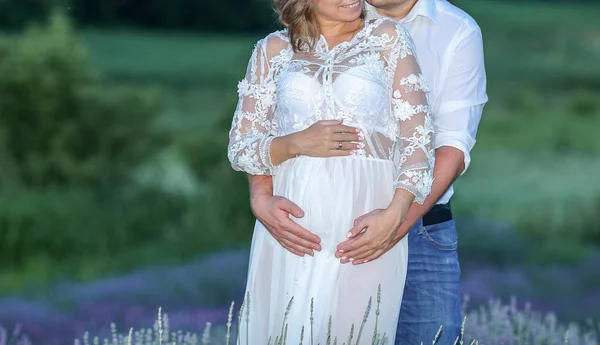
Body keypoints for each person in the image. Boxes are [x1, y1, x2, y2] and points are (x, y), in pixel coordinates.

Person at [248, 0, 488, 343]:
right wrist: (260, 193)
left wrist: (396, 219)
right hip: (310, 226)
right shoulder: (322, 21)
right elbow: (265, 124)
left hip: (419, 222)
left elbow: (451, 146)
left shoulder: (456, 30)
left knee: (428, 336)